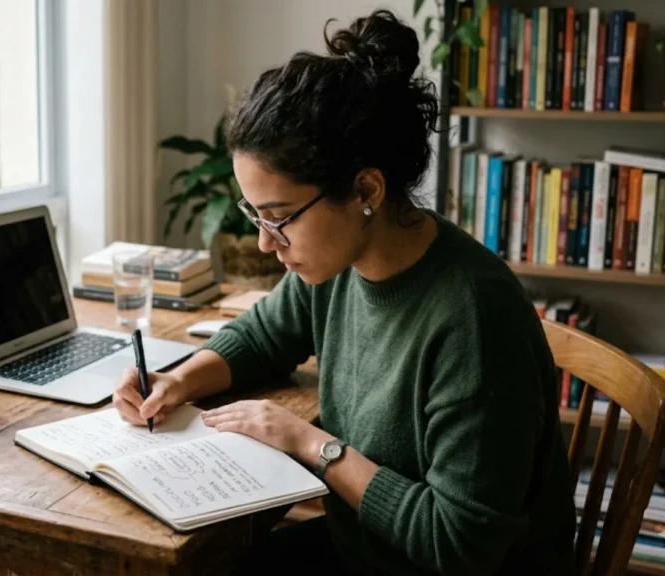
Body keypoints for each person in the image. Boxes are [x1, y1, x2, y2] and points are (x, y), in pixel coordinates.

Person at [112, 9, 575, 576]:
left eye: (278, 218)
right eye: (254, 215)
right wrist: (176, 381)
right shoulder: (335, 266)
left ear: (366, 190)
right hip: (363, 548)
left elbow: (458, 545)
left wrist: (312, 445)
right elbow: (261, 336)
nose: (264, 244)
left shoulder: (473, 320)